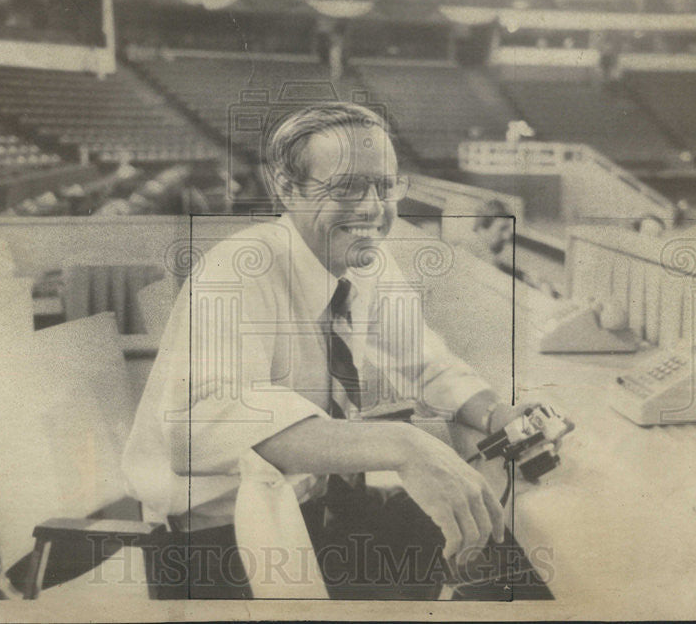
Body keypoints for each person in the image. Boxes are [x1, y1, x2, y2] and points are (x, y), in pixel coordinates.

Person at [122, 103, 561, 599]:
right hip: (216, 549)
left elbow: (423, 361)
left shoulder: (363, 257)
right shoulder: (239, 270)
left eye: (385, 185)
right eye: (349, 187)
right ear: (286, 188)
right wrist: (403, 446)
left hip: (312, 513)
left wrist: (498, 414)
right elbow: (195, 428)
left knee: (493, 552)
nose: (374, 208)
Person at [468, 199, 559, 298]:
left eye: (508, 229)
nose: (507, 236)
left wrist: (530, 279)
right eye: (502, 229)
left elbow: (504, 269)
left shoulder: (488, 258)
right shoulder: (475, 263)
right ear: (482, 230)